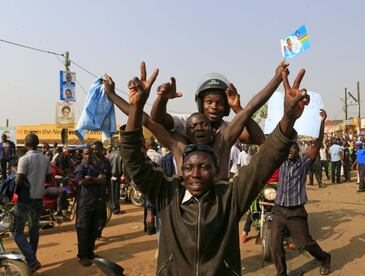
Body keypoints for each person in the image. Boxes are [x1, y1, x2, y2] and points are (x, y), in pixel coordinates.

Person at [120, 65, 309, 275]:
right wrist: (136, 106)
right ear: (181, 171)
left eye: (204, 167)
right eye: (189, 167)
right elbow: (137, 152)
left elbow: (266, 155)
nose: (196, 174)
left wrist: (288, 115)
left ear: (218, 168)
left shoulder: (230, 198)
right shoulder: (168, 194)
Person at [103, 61, 289, 180]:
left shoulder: (225, 135)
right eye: (209, 102)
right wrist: (113, 95)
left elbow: (252, 118)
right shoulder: (183, 132)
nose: (214, 107)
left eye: (219, 103)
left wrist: (275, 79)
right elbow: (151, 120)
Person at [270, 109, 331, 276]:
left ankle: (324, 258)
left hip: (296, 212)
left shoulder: (303, 164)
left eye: (293, 148)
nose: (290, 151)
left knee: (306, 242)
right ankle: (281, 273)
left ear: (298, 150)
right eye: (287, 148)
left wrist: (321, 123)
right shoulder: (280, 162)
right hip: (278, 211)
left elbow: (317, 144)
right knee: (274, 245)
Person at [14, 133, 51, 272]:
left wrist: (13, 189)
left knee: (17, 232)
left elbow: (18, 180)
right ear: (37, 143)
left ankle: (31, 259)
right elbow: (48, 177)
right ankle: (32, 259)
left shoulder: (24, 159)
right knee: (34, 230)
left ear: (26, 144)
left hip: (25, 200)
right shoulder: (45, 158)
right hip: (38, 198)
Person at [74, 147, 107, 266]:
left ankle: (90, 253)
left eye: (90, 154)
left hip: (96, 201)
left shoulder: (96, 166)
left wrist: (91, 178)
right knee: (83, 229)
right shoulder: (80, 168)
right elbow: (81, 182)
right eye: (86, 154)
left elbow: (103, 180)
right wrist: (96, 179)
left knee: (93, 229)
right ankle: (83, 256)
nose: (88, 156)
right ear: (83, 155)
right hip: (85, 203)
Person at [91, 141, 112, 241]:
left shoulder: (106, 161)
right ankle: (92, 237)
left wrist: (109, 191)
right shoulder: (90, 160)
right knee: (93, 216)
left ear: (102, 149)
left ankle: (98, 234)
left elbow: (109, 177)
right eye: (93, 149)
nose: (94, 151)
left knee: (103, 216)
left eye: (96, 149)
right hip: (91, 192)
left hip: (102, 191)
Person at [108, 141, 125, 215]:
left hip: (110, 176)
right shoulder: (121, 154)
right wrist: (124, 175)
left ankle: (113, 208)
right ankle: (115, 209)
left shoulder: (110, 154)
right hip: (117, 176)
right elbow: (123, 167)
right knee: (116, 193)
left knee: (112, 193)